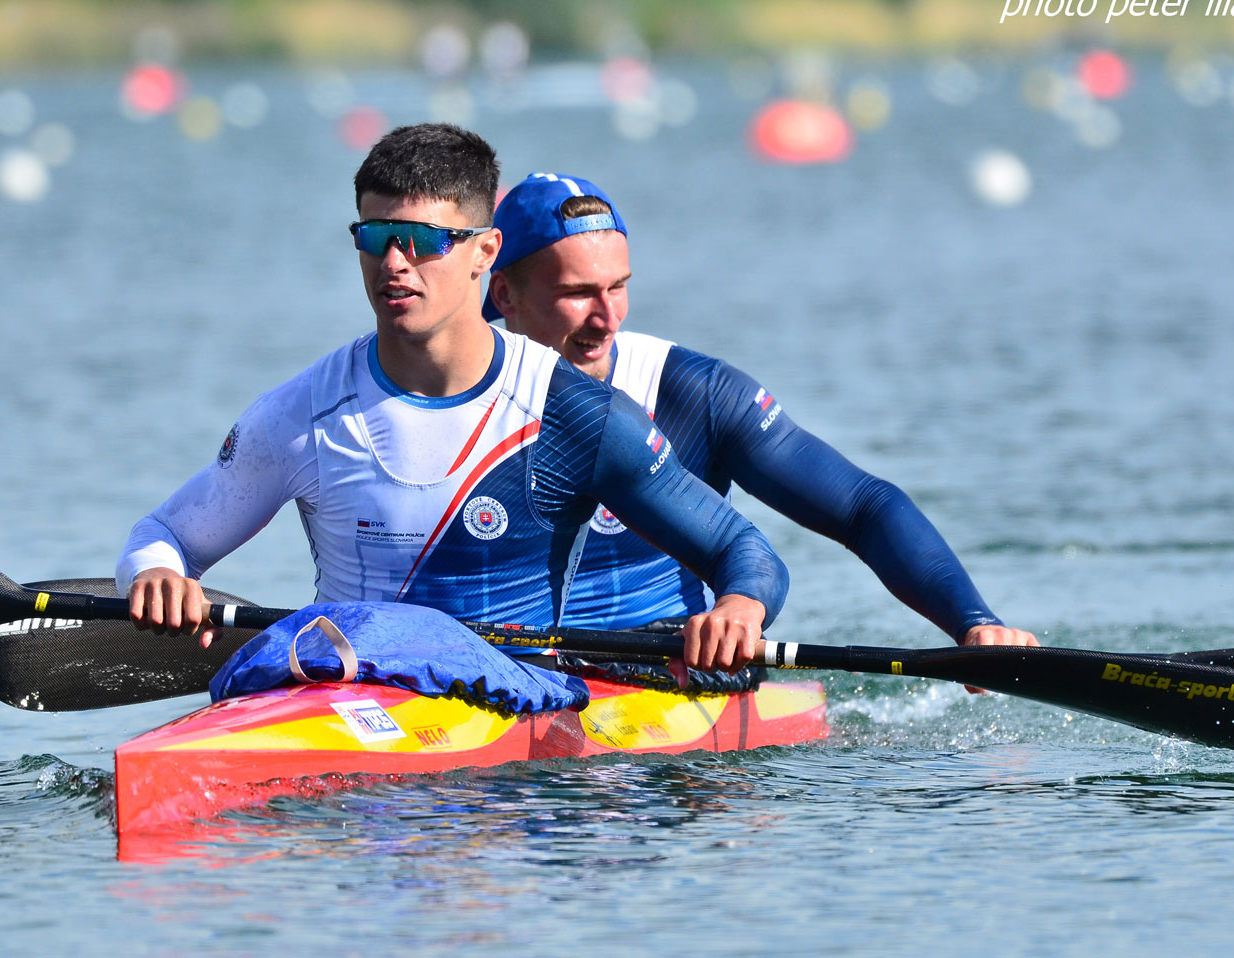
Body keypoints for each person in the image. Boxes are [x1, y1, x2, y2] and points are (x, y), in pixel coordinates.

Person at [116, 125, 788, 674]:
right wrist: (160, 576)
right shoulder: (301, 416)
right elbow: (164, 535)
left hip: (515, 720)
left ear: (484, 252)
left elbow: (745, 551)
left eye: (424, 241)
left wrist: (739, 610)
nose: (394, 264)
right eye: (375, 239)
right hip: (350, 694)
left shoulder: (574, 413)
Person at [483, 172, 1038, 651]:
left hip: (662, 671)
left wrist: (975, 624)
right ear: (505, 296)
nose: (608, 318)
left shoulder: (695, 393)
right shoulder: (442, 392)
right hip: (501, 671)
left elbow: (864, 509)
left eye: (620, 288)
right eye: (578, 293)